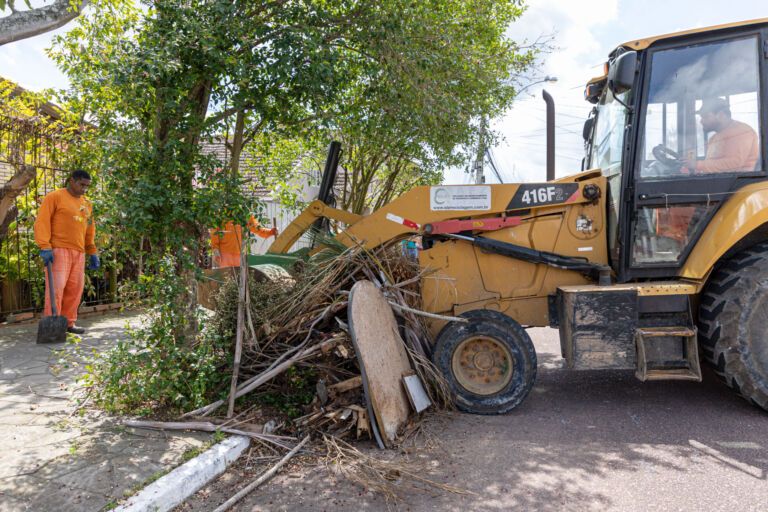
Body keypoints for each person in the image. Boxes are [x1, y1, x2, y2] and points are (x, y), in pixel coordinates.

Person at [34, 170, 100, 335]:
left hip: (78, 252)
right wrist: (45, 246)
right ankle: (52, 328)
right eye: (81, 184)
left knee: (75, 289)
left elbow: (89, 229)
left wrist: (92, 251)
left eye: (87, 186)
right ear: (72, 181)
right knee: (56, 290)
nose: (84, 189)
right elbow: (42, 221)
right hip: (58, 250)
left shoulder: (87, 204)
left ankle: (69, 323)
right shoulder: (54, 197)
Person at [684, 97, 759, 173]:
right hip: (721, 181)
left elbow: (733, 164)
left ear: (721, 115)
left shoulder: (741, 131)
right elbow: (713, 166)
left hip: (739, 183)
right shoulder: (714, 138)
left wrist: (697, 165)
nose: (701, 121)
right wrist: (694, 167)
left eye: (705, 116)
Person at [210, 216, 278, 268]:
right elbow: (214, 233)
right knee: (226, 280)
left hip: (240, 254)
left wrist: (270, 232)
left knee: (240, 281)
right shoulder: (220, 214)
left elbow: (257, 228)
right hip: (224, 254)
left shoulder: (245, 212)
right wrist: (216, 251)